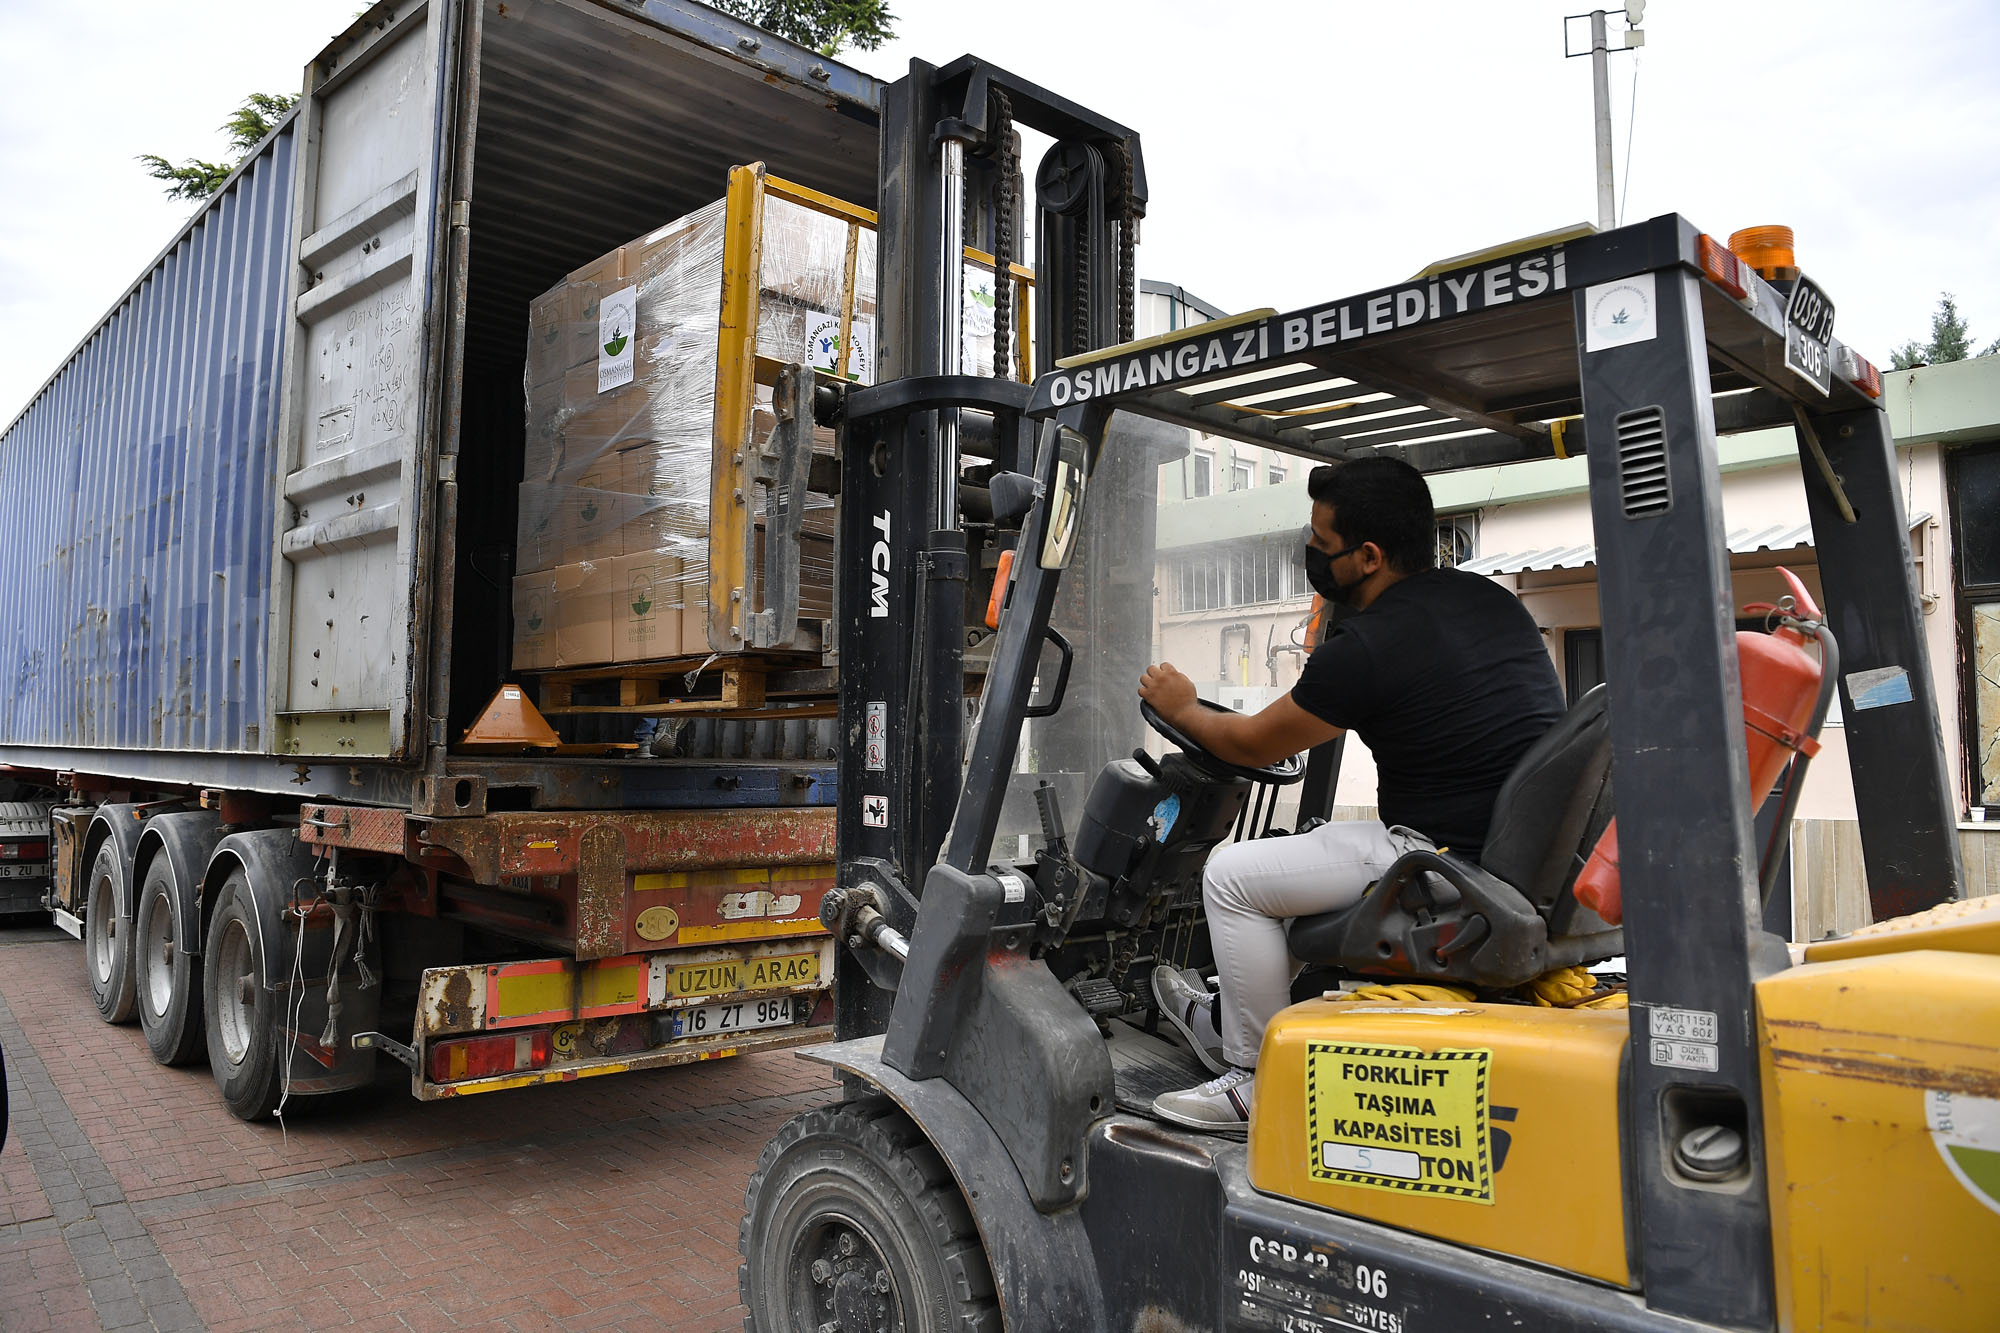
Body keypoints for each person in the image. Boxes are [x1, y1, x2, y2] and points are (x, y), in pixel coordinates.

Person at [1137, 456, 1565, 1132]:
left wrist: (1183, 706)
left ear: (1367, 556)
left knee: (1231, 877)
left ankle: (1253, 1082)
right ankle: (1234, 1016)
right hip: (1512, 853)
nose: (1310, 552)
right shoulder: (1489, 601)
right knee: (1294, 861)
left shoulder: (1368, 647)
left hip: (1441, 861)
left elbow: (1251, 744)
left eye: (1320, 543)